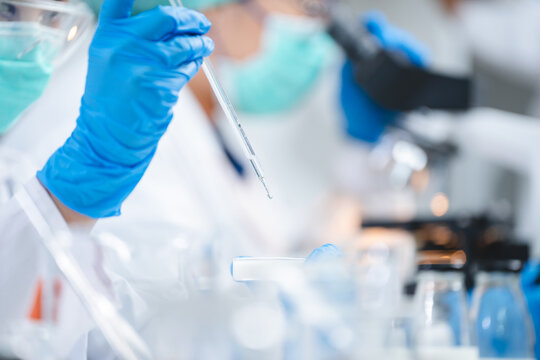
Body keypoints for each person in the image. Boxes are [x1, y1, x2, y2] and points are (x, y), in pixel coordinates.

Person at [0, 0, 214, 356]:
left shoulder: (10, 166)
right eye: (6, 11)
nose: (28, 46)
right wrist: (86, 174)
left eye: (52, 17)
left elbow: (91, 327)